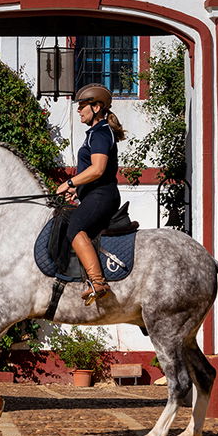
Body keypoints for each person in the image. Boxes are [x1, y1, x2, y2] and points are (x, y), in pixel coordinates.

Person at [55, 83, 126, 305]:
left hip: (102, 195)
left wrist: (69, 181)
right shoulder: (95, 134)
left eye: (82, 106)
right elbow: (93, 173)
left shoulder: (101, 133)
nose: (78, 110)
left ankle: (97, 282)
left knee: (75, 227)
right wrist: (77, 189)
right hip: (96, 194)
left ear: (96, 107)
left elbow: (98, 169)